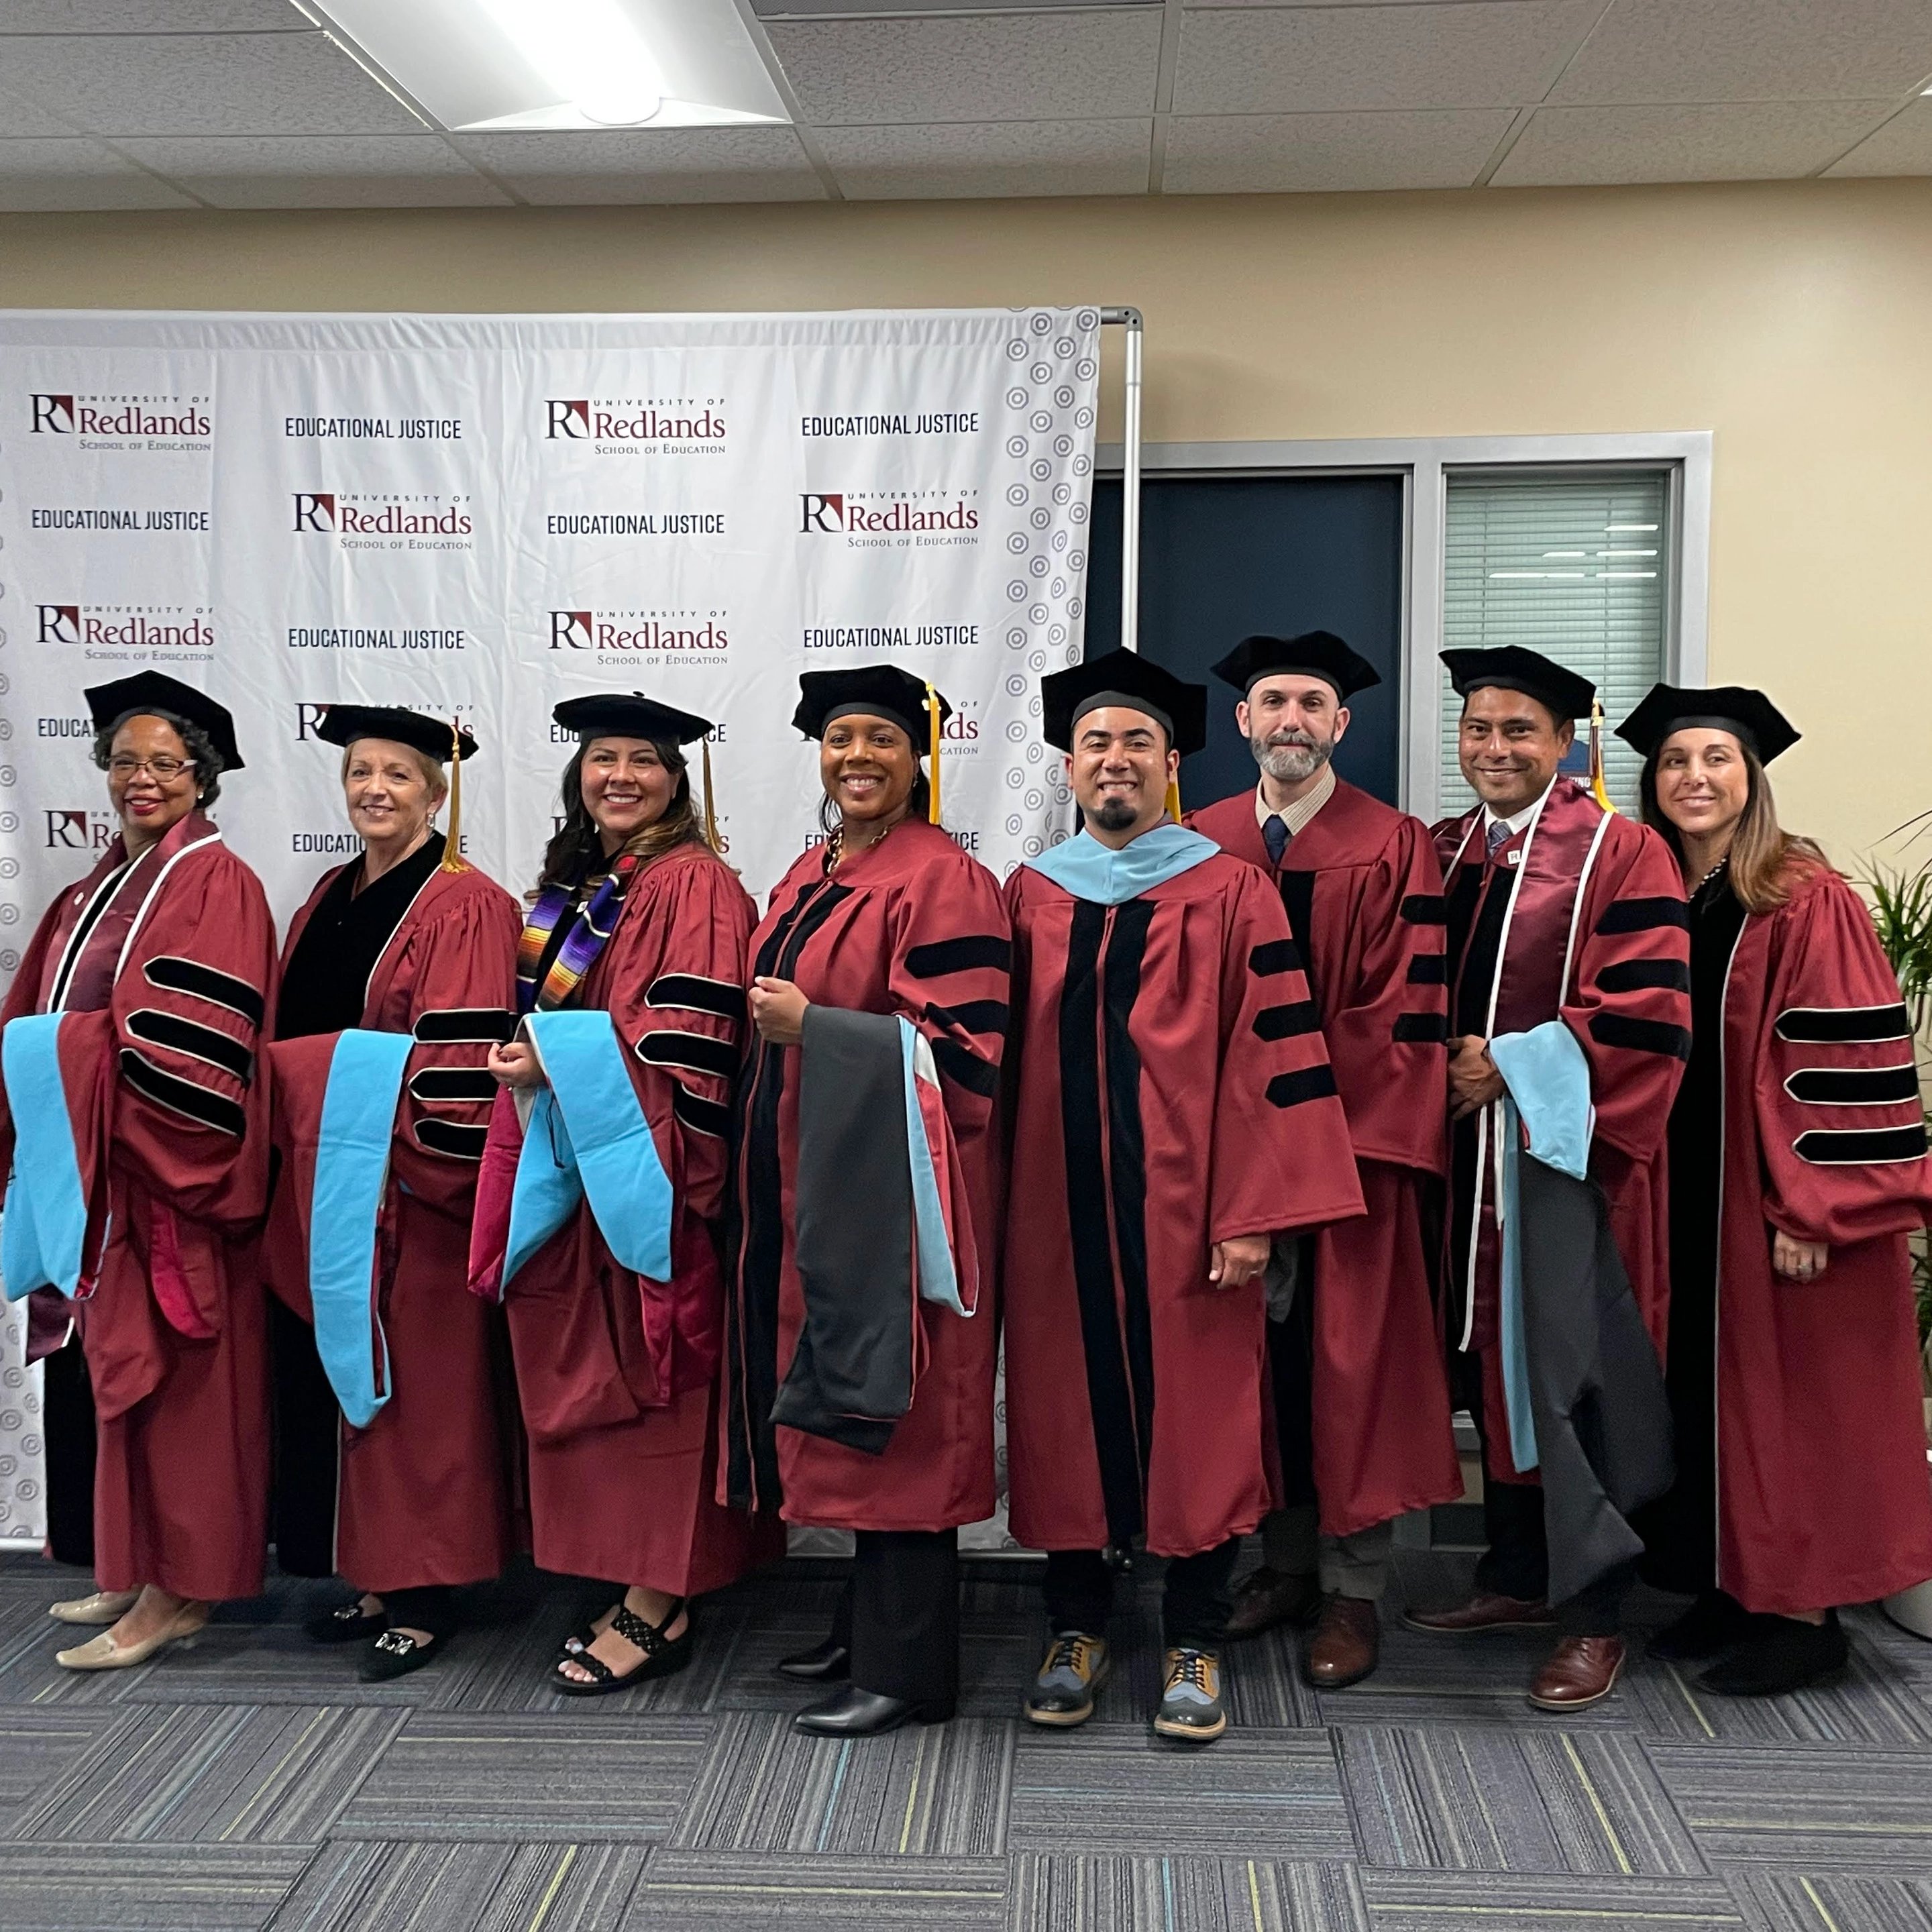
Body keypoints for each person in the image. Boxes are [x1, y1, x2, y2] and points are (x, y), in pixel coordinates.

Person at [1003, 647, 1365, 1746]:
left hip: (1188, 1214)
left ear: (1171, 766)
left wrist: (1252, 1211)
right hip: (1055, 1211)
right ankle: (1076, 1623)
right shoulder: (1030, 894)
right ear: (1070, 766)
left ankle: (1195, 1630)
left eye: (1139, 743)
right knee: (1066, 1411)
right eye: (1098, 742)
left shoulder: (1228, 887)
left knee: (1202, 1418)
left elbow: (1274, 1063)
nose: (1116, 759)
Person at [1619, 683, 1932, 1694]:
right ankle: (1731, 1587)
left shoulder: (1803, 897)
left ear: (1750, 777)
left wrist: (1814, 1210)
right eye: (1676, 762)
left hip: (1774, 1203)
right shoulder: (1661, 890)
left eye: (1716, 760)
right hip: (1687, 1200)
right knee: (1707, 1399)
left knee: (1794, 1406)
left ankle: (1805, 1618)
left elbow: (1841, 1065)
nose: (1694, 778)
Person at [723, 664, 1006, 1738]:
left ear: (920, 755)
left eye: (882, 740)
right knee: (847, 1410)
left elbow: (968, 1064)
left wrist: (820, 1032)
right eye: (842, 739)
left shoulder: (945, 880)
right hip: (817, 1185)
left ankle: (911, 1669)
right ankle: (864, 1629)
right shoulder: (813, 868)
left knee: (906, 1417)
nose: (859, 759)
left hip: (901, 1203)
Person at [474, 692, 778, 1695]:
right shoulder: (583, 884)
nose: (621, 777)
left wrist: (551, 1067)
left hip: (650, 1174)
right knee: (607, 1388)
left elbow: (689, 1040)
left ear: (677, 780)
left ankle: (664, 1598)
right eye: (603, 760)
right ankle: (628, 1576)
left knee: (660, 1386)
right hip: (579, 1165)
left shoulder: (692, 884)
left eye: (644, 762)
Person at [1408, 646, 1690, 1711]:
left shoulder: (1621, 854)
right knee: (1494, 1366)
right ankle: (1518, 1575)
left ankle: (1597, 1615)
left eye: (1518, 729)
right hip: (1464, 1168)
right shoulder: (1446, 851)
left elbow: (1648, 1010)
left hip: (1563, 1165)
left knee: (1576, 1370)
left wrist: (1510, 1064)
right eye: (1479, 728)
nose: (1494, 747)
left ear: (1565, 742)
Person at [1187, 633, 1462, 1689]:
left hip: (1351, 1163)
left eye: (1312, 702)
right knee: (1256, 1370)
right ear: (1246, 723)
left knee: (1351, 1372)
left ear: (1342, 725)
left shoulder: (1395, 846)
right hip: (1225, 1168)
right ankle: (1284, 1566)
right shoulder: (1199, 842)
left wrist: (1309, 1144)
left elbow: (1405, 1016)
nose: (1292, 718)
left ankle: (1353, 1590)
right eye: (1273, 701)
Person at [0, 671, 275, 1670]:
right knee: (122, 1388)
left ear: (201, 778)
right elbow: (31, 1022)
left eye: (166, 763)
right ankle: (135, 1562)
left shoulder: (215, 882)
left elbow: (198, 1046)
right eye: (125, 762)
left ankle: (181, 1589)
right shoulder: (90, 891)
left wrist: (76, 1071)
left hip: (172, 1184)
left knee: (184, 1391)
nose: (142, 779)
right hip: (103, 1178)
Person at [264, 705, 519, 1682]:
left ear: (437, 793)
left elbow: (459, 1063)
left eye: (400, 776)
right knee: (351, 1377)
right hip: (329, 1180)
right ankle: (375, 1571)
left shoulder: (466, 902)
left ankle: (426, 1586)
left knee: (424, 1387)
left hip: (413, 1184)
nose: (375, 788)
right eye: (361, 772)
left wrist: (397, 1149)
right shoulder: (323, 896)